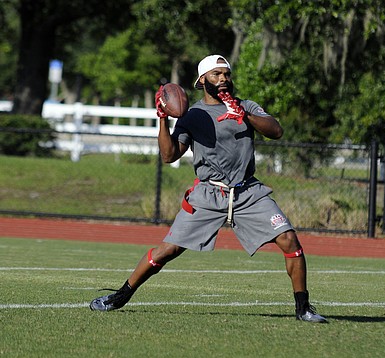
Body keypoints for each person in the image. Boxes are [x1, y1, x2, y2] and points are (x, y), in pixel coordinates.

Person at [89, 54, 327, 323]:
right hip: (209, 193)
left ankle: (303, 308)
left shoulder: (247, 106)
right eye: (216, 74)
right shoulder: (192, 116)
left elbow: (276, 131)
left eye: (226, 74)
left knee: (290, 241)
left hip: (248, 192)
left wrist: (245, 115)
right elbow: (169, 156)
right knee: (167, 251)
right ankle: (120, 296)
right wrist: (162, 118)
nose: (223, 78)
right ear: (202, 81)